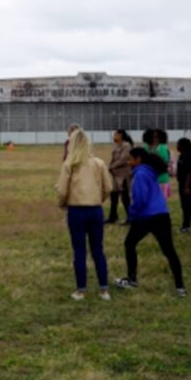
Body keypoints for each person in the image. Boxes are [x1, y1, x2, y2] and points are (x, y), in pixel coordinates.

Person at [115, 148, 187, 297]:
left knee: (129, 244)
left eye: (130, 159)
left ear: (138, 159)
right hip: (162, 215)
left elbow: (140, 199)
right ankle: (180, 287)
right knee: (169, 250)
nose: (129, 162)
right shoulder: (150, 172)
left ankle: (131, 279)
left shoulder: (140, 174)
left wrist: (132, 215)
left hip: (146, 217)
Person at [56, 129, 113, 301]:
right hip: (95, 210)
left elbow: (61, 190)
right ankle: (104, 289)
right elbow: (108, 188)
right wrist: (98, 199)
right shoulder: (99, 163)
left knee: (79, 250)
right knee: (98, 249)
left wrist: (63, 204)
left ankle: (81, 289)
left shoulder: (69, 165)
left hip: (76, 210)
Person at [106, 129, 133, 224]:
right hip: (115, 174)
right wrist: (111, 167)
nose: (114, 136)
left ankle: (130, 217)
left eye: (116, 134)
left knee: (125, 197)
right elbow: (113, 159)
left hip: (124, 174)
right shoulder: (115, 146)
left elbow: (123, 159)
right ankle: (113, 217)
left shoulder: (126, 145)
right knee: (113, 196)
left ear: (121, 135)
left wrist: (111, 166)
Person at [176, 138, 191, 233]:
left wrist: (187, 186)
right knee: (185, 206)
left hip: (189, 185)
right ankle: (186, 225)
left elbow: (190, 173)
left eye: (179, 144)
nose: (177, 146)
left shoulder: (188, 156)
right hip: (182, 184)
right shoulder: (181, 156)